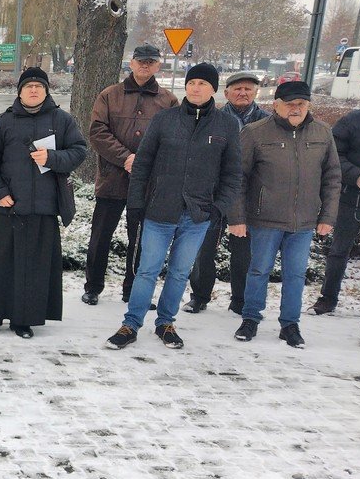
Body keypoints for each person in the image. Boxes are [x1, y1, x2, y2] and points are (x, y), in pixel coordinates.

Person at [105, 63, 241, 350]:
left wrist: (218, 209)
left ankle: (165, 322)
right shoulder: (164, 119)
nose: (195, 88)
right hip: (159, 211)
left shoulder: (226, 125)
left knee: (180, 272)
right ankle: (131, 324)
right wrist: (136, 204)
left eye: (203, 84)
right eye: (192, 83)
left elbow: (232, 174)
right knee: (146, 270)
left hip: (198, 214)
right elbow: (142, 164)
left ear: (214, 89)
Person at [0, 67, 87, 338]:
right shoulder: (4, 121)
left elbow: (79, 151)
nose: (33, 90)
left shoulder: (61, 120)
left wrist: (53, 159)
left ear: (46, 91)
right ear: (19, 91)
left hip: (44, 209)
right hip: (10, 206)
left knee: (34, 268)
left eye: (39, 86)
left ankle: (24, 319)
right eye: (28, 86)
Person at [231, 81, 341, 348]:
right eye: (290, 104)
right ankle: (250, 318)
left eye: (301, 104)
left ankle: (290, 324)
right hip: (265, 218)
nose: (296, 109)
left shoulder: (322, 133)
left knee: (295, 275)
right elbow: (238, 178)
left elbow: (332, 178)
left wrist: (327, 217)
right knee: (258, 270)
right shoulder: (255, 133)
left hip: (303, 222)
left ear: (308, 106)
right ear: (276, 105)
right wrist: (237, 217)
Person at [83, 44, 178, 306]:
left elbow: (172, 138)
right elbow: (98, 132)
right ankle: (93, 286)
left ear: (158, 66)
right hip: (112, 178)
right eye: (140, 61)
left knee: (141, 240)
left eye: (151, 61)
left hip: (148, 183)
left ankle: (133, 289)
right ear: (131, 63)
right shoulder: (109, 95)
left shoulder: (168, 100)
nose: (145, 65)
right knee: (101, 235)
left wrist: (144, 162)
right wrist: (126, 158)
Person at [184, 71, 270, 314]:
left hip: (248, 196)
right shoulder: (214, 119)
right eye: (237, 89)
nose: (242, 93)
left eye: (248, 89)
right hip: (214, 194)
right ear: (226, 93)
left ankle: (239, 300)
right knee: (205, 248)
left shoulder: (266, 121)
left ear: (256, 92)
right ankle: (199, 296)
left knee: (243, 252)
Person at [311, 87, 360, 315]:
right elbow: (334, 155)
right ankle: (328, 298)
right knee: (339, 250)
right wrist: (357, 176)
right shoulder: (353, 120)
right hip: (352, 195)